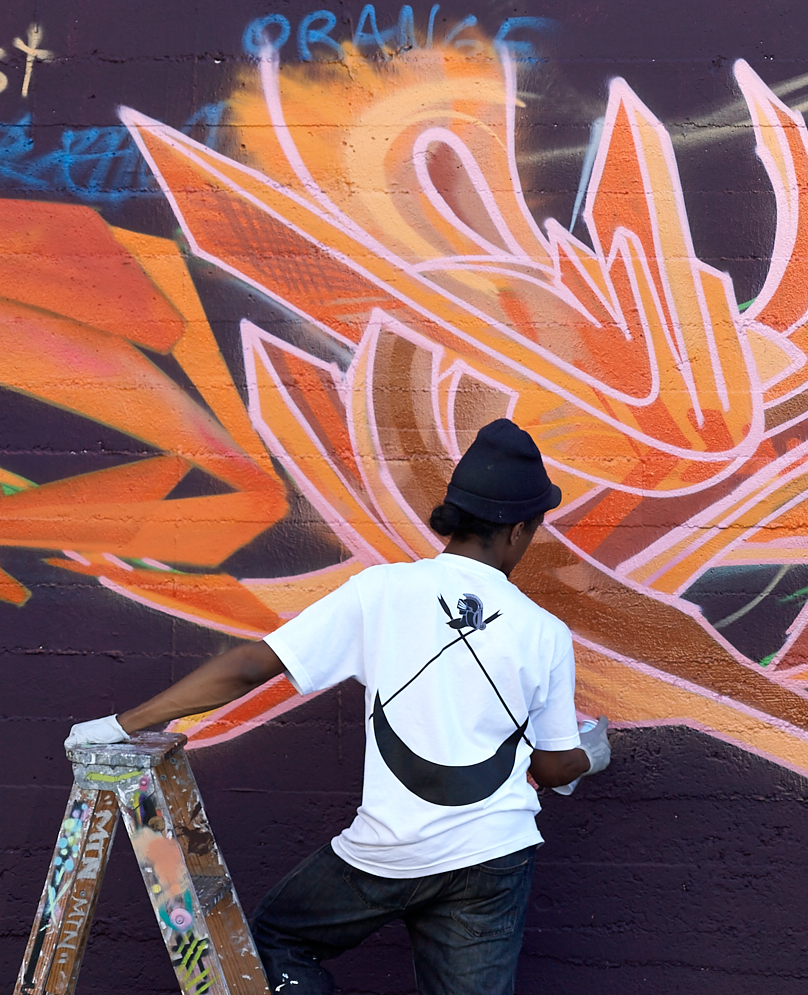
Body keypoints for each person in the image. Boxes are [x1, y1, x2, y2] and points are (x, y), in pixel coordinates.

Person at [63, 418, 611, 995]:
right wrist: (591, 755)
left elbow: (250, 666)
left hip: (388, 851)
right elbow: (553, 768)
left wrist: (122, 723)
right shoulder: (544, 632)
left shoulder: (380, 591)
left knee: (278, 940)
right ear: (519, 529)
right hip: (490, 859)